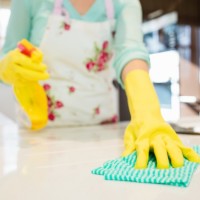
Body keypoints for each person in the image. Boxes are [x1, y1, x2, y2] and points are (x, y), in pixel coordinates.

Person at [0, 0, 199, 169]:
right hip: (38, 139)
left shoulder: (123, 3)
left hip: (102, 131)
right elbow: (7, 53)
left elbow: (130, 50)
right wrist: (6, 67)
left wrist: (148, 113)